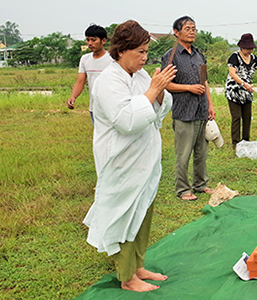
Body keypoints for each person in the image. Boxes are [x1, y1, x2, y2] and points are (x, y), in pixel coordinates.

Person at [83, 20, 177, 292]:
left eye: (147, 52)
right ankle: (127, 278)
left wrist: (159, 92)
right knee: (124, 214)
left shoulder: (141, 76)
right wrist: (152, 91)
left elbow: (159, 109)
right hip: (121, 160)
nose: (145, 58)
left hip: (144, 158)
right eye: (140, 52)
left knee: (142, 211)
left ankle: (138, 266)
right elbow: (126, 121)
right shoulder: (108, 81)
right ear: (121, 50)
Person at [161, 16, 216, 201]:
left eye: (194, 28)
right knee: (183, 153)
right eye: (187, 28)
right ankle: (183, 189)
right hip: (184, 110)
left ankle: (200, 185)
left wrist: (210, 104)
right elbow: (165, 84)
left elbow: (204, 81)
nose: (192, 31)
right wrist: (188, 88)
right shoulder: (171, 56)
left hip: (201, 109)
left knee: (202, 151)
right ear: (176, 32)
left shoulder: (199, 54)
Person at [225, 33, 257, 148]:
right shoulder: (234, 57)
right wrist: (244, 84)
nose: (250, 50)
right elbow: (232, 73)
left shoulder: (253, 58)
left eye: (251, 48)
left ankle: (246, 141)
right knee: (236, 118)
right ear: (242, 47)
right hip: (234, 91)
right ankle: (235, 143)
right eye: (247, 48)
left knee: (247, 117)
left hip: (247, 93)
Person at [66, 24, 114, 125]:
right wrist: (73, 97)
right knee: (99, 137)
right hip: (94, 107)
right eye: (88, 40)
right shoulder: (85, 59)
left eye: (93, 40)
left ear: (103, 41)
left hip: (112, 105)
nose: (90, 43)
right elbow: (80, 82)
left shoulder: (112, 59)